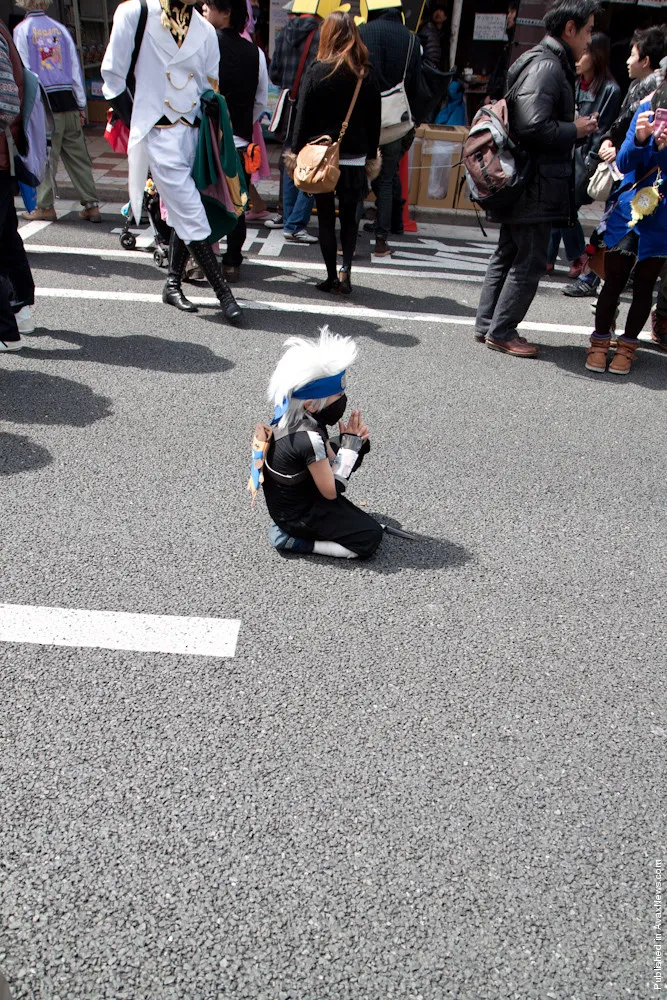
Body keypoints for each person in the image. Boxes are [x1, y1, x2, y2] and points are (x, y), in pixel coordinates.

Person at [101, 0, 242, 323]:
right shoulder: (134, 13)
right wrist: (139, 125)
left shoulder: (205, 30)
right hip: (157, 133)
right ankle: (224, 294)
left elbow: (209, 85)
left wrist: (213, 116)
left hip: (194, 135)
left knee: (184, 206)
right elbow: (112, 77)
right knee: (189, 209)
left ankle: (172, 282)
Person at [473, 0, 600, 359]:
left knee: (509, 252)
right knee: (527, 260)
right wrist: (573, 128)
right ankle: (501, 330)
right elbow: (533, 124)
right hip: (536, 181)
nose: (590, 38)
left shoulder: (541, 59)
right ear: (570, 29)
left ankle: (488, 324)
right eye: (587, 29)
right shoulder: (547, 65)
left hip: (526, 179)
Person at [257, 326, 383, 559]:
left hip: (293, 494)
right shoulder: (308, 438)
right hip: (296, 514)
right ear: (312, 404)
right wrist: (349, 451)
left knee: (349, 446)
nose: (343, 400)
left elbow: (328, 453)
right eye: (337, 396)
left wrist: (352, 446)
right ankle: (291, 539)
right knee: (370, 537)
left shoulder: (295, 417)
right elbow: (331, 491)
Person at [566, 25, 666, 298]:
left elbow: (628, 129)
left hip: (636, 178)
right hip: (633, 173)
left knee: (613, 232)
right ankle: (598, 278)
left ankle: (594, 279)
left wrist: (614, 142)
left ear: (646, 61)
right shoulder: (641, 87)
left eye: (633, 55)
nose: (627, 61)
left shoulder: (651, 93)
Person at [289, 10, 381, 294]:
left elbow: (301, 116)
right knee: (351, 218)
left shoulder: (317, 71)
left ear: (327, 36)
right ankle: (346, 271)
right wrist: (371, 155)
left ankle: (330, 276)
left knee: (326, 218)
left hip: (322, 158)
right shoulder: (365, 73)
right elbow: (375, 120)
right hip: (354, 158)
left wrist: (295, 152)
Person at [584, 84, 667, 376]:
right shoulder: (646, 108)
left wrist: (662, 150)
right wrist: (643, 139)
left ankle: (627, 346)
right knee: (614, 279)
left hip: (663, 216)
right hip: (630, 209)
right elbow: (623, 161)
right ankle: (599, 342)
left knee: (645, 285)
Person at [13, 0, 101, 223]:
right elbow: (74, 69)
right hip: (68, 102)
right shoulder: (60, 29)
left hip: (44, 105)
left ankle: (45, 206)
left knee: (46, 157)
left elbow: (24, 72)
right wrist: (81, 104)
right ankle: (91, 204)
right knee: (78, 157)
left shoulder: (22, 31)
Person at [203, 0, 268, 283]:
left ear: (226, 12)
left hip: (206, 142)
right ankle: (232, 261)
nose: (204, 7)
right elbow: (261, 102)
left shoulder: (203, 46)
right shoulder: (256, 54)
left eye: (210, 4)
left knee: (203, 201)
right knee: (240, 205)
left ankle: (200, 260)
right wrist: (237, 124)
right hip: (241, 142)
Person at [547, 33, 620, 278]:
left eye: (586, 52)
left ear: (596, 56)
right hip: (565, 150)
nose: (579, 57)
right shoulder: (574, 82)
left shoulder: (610, 89)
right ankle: (549, 258)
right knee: (558, 206)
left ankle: (578, 255)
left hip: (585, 158)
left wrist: (591, 160)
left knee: (565, 208)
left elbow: (605, 129)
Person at [358, 0, 422, 258]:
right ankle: (381, 241)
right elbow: (416, 84)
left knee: (357, 178)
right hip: (394, 120)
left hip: (363, 117)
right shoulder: (411, 40)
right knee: (385, 181)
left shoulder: (362, 32)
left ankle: (346, 241)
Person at [267, 0, 334, 243]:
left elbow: (274, 74)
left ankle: (287, 217)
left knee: (289, 157)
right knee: (313, 161)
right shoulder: (322, 35)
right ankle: (295, 223)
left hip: (288, 104)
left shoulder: (284, 33)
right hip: (313, 107)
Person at [0, 18, 36, 351]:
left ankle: (7, 329)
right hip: (4, 155)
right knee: (7, 238)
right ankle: (21, 308)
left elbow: (7, 99)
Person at [487, 3, 518, 102]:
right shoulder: (509, 43)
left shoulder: (516, 45)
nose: (508, 16)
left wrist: (494, 94)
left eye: (512, 12)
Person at [418, 3, 448, 73]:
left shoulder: (444, 35)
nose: (438, 13)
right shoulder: (426, 28)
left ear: (445, 17)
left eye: (441, 11)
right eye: (436, 10)